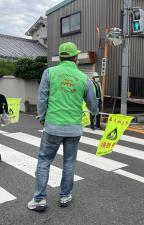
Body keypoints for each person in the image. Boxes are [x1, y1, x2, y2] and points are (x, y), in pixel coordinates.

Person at [27, 42, 98, 212]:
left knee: (44, 161)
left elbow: (42, 99)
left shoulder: (49, 73)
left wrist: (42, 117)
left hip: (53, 126)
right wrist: (93, 112)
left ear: (60, 57)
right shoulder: (84, 78)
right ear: (75, 58)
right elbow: (93, 105)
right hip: (74, 129)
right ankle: (65, 196)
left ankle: (39, 200)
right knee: (69, 162)